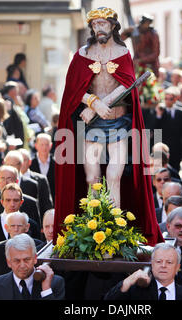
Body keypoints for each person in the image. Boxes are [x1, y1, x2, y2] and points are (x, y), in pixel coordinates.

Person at [54, 7, 163, 246]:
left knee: (114, 173)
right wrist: (91, 102)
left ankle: (113, 225)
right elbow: (73, 88)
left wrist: (103, 103)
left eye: (104, 24)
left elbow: (126, 84)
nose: (99, 28)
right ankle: (94, 228)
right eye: (95, 25)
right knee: (93, 176)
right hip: (91, 122)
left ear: (113, 26)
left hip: (118, 120)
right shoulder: (82, 54)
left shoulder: (123, 52)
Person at [0, 183, 40, 297]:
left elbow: (38, 254)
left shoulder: (32, 225)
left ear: (21, 202)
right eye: (8, 200)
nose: (12, 204)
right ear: (2, 202)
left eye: (16, 200)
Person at [104, 242, 182, 300]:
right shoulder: (135, 292)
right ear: (152, 265)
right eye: (159, 261)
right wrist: (129, 280)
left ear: (177, 268)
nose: (163, 266)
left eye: (169, 262)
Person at [0, 233, 65, 300]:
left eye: (27, 259)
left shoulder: (55, 283)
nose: (22, 265)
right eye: (17, 261)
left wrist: (46, 291)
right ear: (9, 262)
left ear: (35, 258)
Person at [0, 211, 44, 282]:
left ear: (27, 227)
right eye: (12, 226)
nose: (16, 229)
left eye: (19, 226)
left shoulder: (39, 246)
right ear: (6, 228)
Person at [30, 134, 56, 200]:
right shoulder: (30, 164)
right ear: (36, 146)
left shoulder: (57, 164)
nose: (44, 148)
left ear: (51, 146)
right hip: (35, 201)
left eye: (47, 145)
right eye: (41, 145)